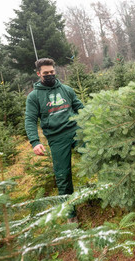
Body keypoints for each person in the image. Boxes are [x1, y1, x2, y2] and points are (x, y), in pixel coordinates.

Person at [25, 58, 84, 222]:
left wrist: (95, 122)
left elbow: (80, 108)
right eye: (46, 73)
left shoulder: (66, 90)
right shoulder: (34, 96)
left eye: (52, 72)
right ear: (39, 74)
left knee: (95, 156)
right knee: (63, 176)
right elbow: (30, 120)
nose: (50, 75)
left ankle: (105, 192)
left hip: (75, 131)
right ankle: (70, 215)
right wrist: (35, 142)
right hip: (57, 138)